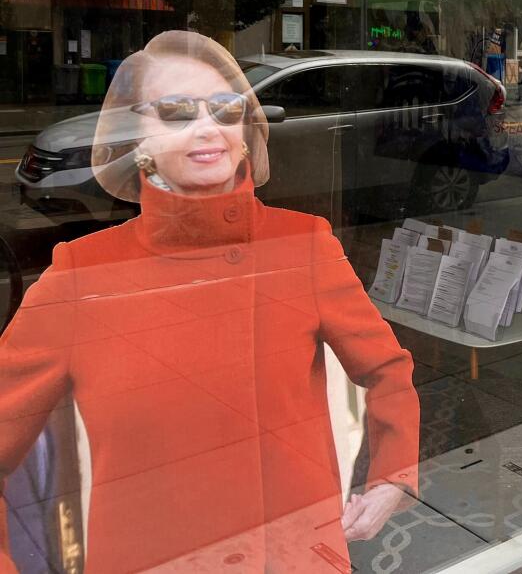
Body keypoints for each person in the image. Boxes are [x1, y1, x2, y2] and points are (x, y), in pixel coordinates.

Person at [0, 31, 419, 573]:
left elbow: (388, 370)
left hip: (292, 558)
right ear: (137, 139)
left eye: (225, 108)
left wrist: (393, 477)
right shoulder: (81, 275)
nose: (207, 127)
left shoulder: (303, 244)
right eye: (175, 111)